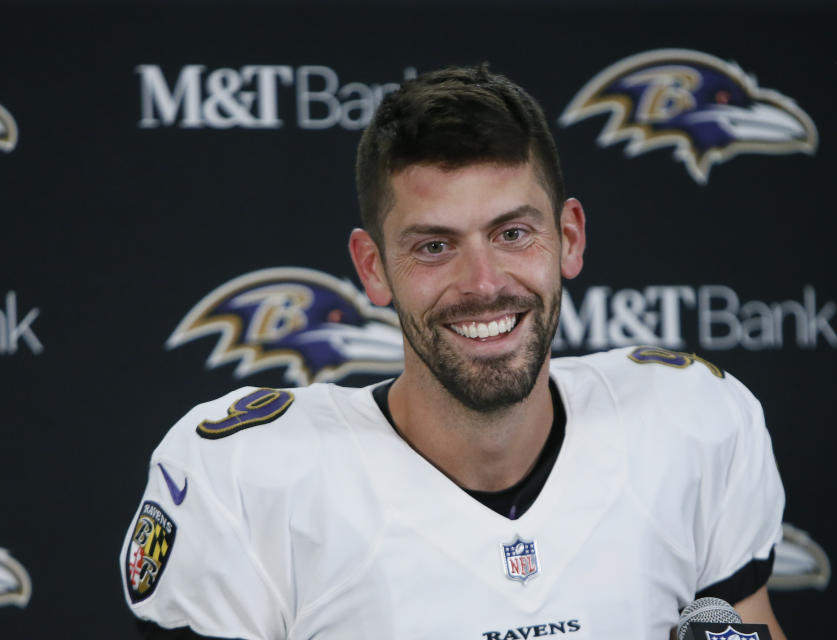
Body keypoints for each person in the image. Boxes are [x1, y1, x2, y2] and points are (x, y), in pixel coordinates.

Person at [121, 64, 787, 640]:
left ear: (570, 238)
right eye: (434, 246)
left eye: (513, 233)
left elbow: (738, 618)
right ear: (374, 268)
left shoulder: (691, 423)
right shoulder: (246, 476)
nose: (484, 284)